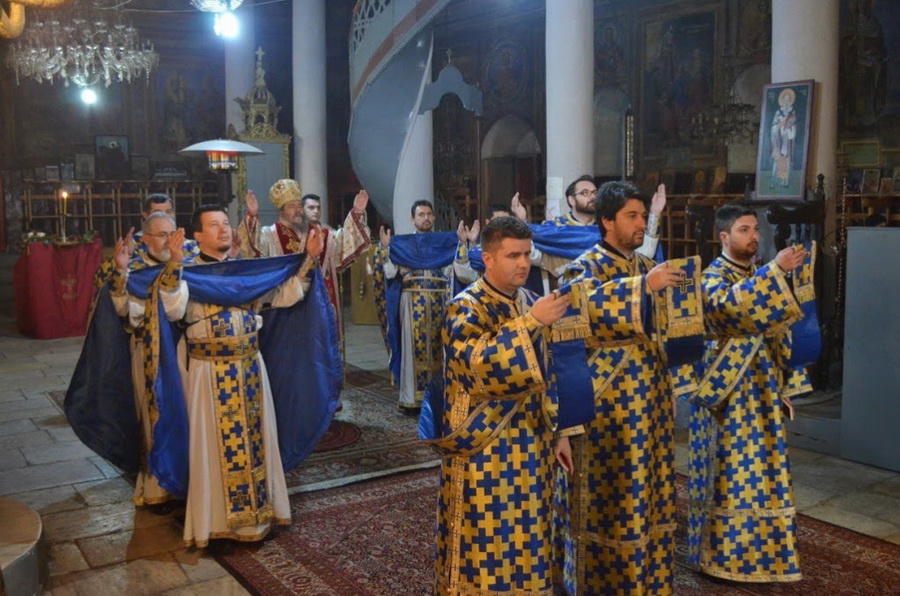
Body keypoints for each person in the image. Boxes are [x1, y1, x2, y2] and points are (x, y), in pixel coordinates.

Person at [551, 180, 686, 595]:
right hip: (605, 411)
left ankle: (646, 581)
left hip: (651, 407)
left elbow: (670, 332)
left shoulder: (649, 269)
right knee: (607, 499)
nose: (641, 223)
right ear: (607, 220)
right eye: (632, 216)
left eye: (644, 216)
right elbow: (583, 308)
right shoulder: (583, 267)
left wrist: (675, 386)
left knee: (648, 495)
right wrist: (643, 289)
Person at [432, 217, 571, 594]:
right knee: (486, 530)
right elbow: (475, 368)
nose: (523, 263)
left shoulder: (528, 301)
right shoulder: (465, 307)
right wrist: (528, 324)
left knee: (529, 526)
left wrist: (561, 433)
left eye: (527, 254)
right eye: (512, 255)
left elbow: (549, 368)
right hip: (485, 445)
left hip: (532, 440)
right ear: (487, 258)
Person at [181, 204, 325, 547]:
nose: (223, 229)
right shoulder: (186, 275)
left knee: (257, 441)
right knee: (211, 450)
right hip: (209, 372)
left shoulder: (245, 274)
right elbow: (172, 308)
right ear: (197, 236)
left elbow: (285, 295)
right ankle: (214, 523)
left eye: (225, 224)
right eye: (213, 226)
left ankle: (258, 518)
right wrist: (172, 267)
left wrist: (308, 258)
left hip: (249, 367)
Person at [683, 203, 809, 582]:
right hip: (728, 394)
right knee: (731, 476)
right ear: (724, 237)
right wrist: (775, 271)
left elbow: (777, 331)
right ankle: (719, 557)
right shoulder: (711, 277)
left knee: (765, 475)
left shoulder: (757, 274)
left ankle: (762, 553)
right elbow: (728, 310)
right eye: (744, 229)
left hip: (763, 391)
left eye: (755, 229)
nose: (753, 236)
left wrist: (784, 384)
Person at [106, 211, 188, 508]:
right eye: (162, 235)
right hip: (147, 352)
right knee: (154, 416)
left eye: (173, 233)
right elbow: (121, 308)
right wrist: (119, 270)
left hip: (182, 351)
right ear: (146, 239)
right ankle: (157, 488)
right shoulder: (135, 268)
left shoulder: (185, 263)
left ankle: (184, 479)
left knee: (183, 412)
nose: (170, 240)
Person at [374, 200, 453, 410]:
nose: (425, 218)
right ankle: (412, 398)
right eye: (421, 215)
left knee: (440, 347)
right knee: (411, 348)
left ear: (434, 217)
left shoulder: (444, 244)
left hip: (440, 301)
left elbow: (453, 271)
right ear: (413, 219)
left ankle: (439, 397)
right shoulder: (403, 245)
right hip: (412, 301)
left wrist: (464, 244)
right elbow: (390, 273)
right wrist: (384, 248)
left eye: (429, 214)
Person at [296, 191, 371, 343]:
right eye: (311, 207)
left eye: (318, 207)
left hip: (325, 290)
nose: (316, 211)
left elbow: (345, 241)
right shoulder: (291, 236)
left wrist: (356, 213)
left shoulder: (327, 236)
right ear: (301, 210)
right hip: (298, 291)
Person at [93, 193, 200, 289]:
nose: (164, 216)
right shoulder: (134, 246)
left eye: (168, 212)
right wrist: (123, 256)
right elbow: (101, 280)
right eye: (158, 212)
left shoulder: (190, 246)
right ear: (145, 215)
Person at [238, 179, 308, 258]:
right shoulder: (268, 234)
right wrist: (252, 215)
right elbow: (251, 251)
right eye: (292, 206)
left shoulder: (308, 234)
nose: (298, 210)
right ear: (281, 211)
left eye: (300, 206)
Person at [769, 88, 797, 188]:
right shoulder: (778, 112)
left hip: (786, 141)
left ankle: (784, 182)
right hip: (778, 141)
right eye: (784, 99)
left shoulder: (792, 112)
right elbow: (773, 127)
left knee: (786, 162)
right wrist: (779, 125)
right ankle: (774, 182)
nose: (786, 101)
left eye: (788, 99)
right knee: (777, 162)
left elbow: (793, 125)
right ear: (782, 100)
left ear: (790, 101)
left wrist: (789, 128)